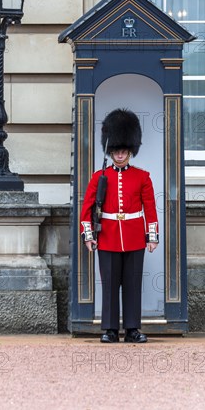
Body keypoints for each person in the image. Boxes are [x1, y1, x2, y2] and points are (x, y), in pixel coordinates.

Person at [80, 109, 159, 343]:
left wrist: (152, 236)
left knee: (133, 284)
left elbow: (150, 208)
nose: (120, 154)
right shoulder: (99, 177)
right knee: (110, 285)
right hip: (108, 237)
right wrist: (88, 235)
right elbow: (87, 207)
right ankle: (111, 329)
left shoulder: (142, 177)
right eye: (116, 150)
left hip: (134, 236)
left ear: (131, 150)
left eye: (124, 150)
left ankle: (133, 329)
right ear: (111, 150)